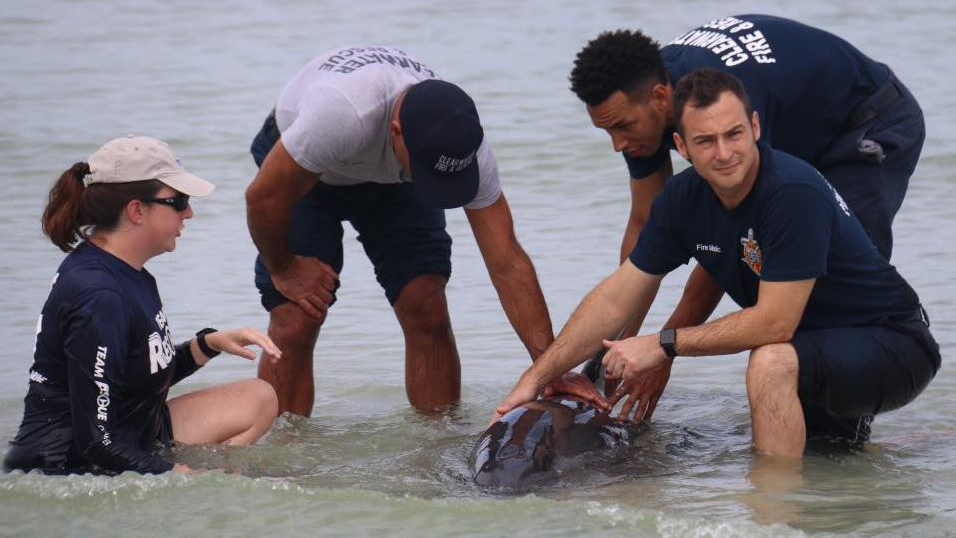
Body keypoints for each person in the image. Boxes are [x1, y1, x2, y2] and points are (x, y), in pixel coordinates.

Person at [494, 70, 940, 457]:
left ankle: (768, 518)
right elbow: (617, 296)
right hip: (818, 352)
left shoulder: (791, 193)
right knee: (833, 464)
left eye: (733, 135)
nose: (724, 153)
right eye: (705, 141)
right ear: (681, 146)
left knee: (769, 361)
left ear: (756, 127)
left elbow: (775, 324)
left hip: (891, 344)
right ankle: (930, 447)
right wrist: (537, 376)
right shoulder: (682, 199)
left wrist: (662, 344)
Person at [568, 14, 926, 418]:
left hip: (867, 120)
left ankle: (843, 431)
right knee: (775, 279)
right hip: (801, 125)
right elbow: (646, 226)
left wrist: (663, 352)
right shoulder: (641, 109)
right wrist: (616, 350)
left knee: (815, 285)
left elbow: (729, 241)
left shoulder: (723, 108)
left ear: (659, 97)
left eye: (624, 128)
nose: (618, 144)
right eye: (608, 131)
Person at [246, 46, 598, 416]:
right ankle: (281, 457)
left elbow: (506, 260)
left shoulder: (464, 143)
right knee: (296, 317)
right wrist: (283, 267)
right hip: (309, 173)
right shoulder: (342, 113)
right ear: (396, 133)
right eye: (430, 175)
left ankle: (437, 447)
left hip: (393, 183)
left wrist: (550, 368)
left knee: (425, 302)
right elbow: (262, 199)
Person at [3, 135, 282, 475]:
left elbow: (136, 377)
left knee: (259, 397)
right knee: (210, 481)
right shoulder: (99, 294)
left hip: (127, 430)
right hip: (67, 460)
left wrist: (207, 345)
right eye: (178, 201)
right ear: (136, 210)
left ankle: (201, 469)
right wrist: (179, 475)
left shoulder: (128, 272)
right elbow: (95, 440)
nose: (189, 213)